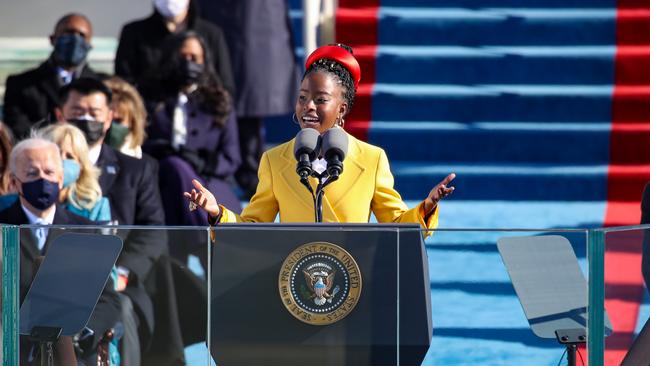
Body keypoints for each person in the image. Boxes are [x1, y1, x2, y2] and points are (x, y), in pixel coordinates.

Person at [185, 44, 456, 228]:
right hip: (295, 283)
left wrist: (427, 206)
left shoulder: (372, 159)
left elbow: (396, 224)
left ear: (342, 109)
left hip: (354, 281)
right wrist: (218, 212)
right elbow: (254, 226)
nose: (308, 106)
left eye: (320, 99)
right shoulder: (275, 160)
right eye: (302, 98)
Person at [56, 77, 167, 358]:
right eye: (77, 112)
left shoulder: (136, 170)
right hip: (56, 280)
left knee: (120, 309)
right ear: (60, 115)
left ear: (108, 119)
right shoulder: (44, 168)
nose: (85, 120)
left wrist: (123, 273)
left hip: (117, 283)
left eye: (93, 113)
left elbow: (153, 231)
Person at [0, 137, 121, 365]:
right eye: (32, 173)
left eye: (49, 171)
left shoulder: (85, 231)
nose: (43, 179)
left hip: (71, 354)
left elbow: (108, 300)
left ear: (61, 178)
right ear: (15, 183)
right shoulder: (3, 228)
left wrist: (81, 332)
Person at [199, 0, 300, 198]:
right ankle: (246, 173)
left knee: (247, 110)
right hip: (234, 29)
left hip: (247, 32)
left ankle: (249, 175)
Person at [142, 31, 242, 229]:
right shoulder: (150, 99)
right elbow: (139, 145)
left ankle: (201, 237)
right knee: (174, 166)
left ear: (205, 61)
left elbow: (232, 158)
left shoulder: (219, 101)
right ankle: (199, 239)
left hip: (210, 182)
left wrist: (201, 162)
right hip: (162, 184)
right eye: (182, 57)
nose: (188, 63)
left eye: (194, 58)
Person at [3, 13, 101, 138]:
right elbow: (17, 125)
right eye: (68, 33)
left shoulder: (102, 85)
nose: (75, 40)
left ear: (90, 44)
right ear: (52, 39)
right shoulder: (20, 84)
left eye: (82, 35)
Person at [114, 0, 235, 95]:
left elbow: (226, 88)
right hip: (152, 118)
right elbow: (124, 86)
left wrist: (202, 81)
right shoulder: (134, 33)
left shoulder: (211, 34)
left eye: (192, 57)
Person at [37, 123, 111, 222]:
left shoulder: (96, 207)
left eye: (70, 157)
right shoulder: (24, 200)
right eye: (56, 153)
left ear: (81, 166)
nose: (61, 160)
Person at [103, 76, 148, 159]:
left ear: (133, 123)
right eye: (106, 119)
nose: (111, 125)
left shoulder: (142, 165)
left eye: (118, 120)